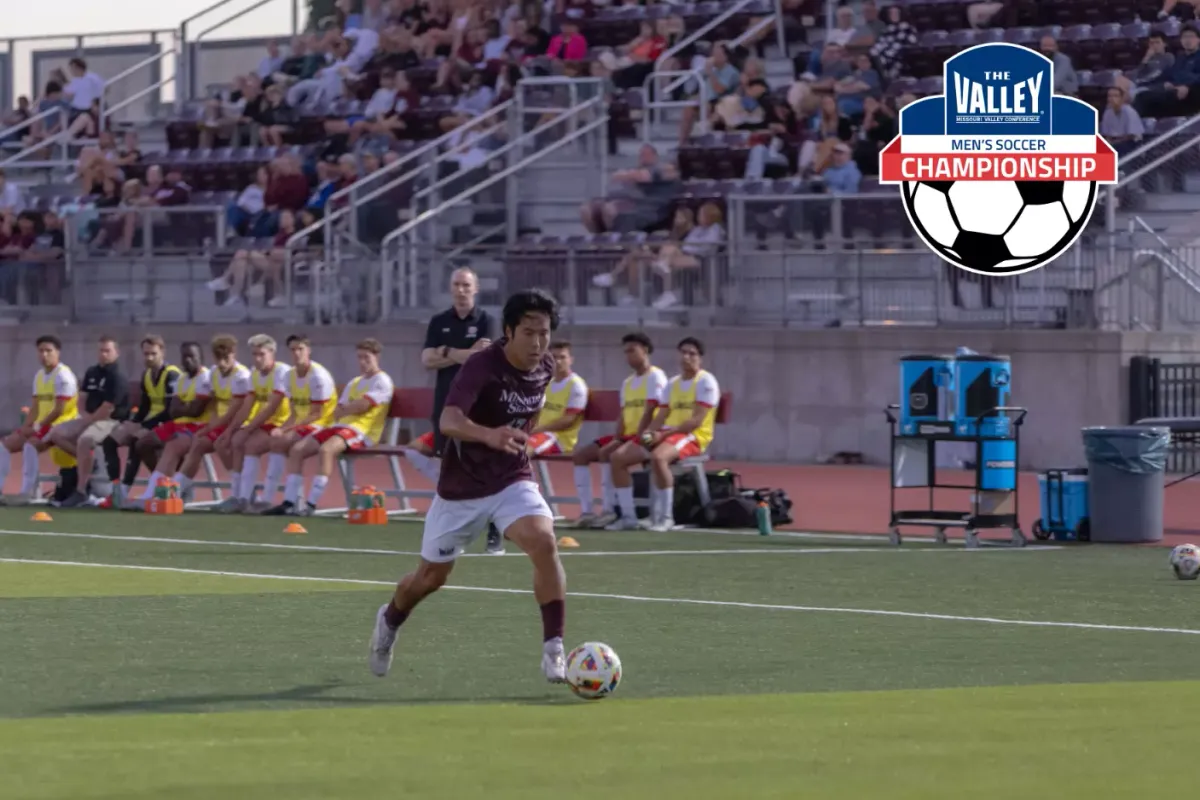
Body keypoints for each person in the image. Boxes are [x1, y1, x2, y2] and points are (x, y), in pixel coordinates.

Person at [368, 290, 568, 684]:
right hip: (462, 488)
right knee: (429, 580)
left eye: (544, 333)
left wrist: (517, 439)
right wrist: (489, 435)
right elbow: (449, 420)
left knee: (544, 540)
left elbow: (533, 409)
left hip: (512, 477)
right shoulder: (481, 365)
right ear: (509, 331)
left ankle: (553, 648)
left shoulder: (544, 367)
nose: (538, 342)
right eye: (528, 332)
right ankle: (389, 621)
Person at [420, 266, 504, 553]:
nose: (461, 290)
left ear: (476, 289)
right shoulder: (439, 321)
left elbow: (483, 358)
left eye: (466, 285)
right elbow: (426, 359)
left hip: (478, 406)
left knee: (486, 466)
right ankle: (454, 535)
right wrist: (460, 354)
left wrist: (446, 352)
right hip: (445, 403)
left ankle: (495, 530)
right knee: (449, 468)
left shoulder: (488, 321)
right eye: (456, 284)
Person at [265, 338, 394, 516]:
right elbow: (339, 411)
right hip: (341, 427)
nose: (363, 362)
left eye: (367, 358)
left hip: (363, 431)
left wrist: (349, 408)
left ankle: (311, 504)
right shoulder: (355, 382)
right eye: (360, 358)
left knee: (326, 450)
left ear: (377, 357)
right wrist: (349, 408)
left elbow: (362, 406)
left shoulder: (382, 380)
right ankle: (289, 502)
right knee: (297, 450)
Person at [606, 337, 721, 532]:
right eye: (683, 353)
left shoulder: (706, 381)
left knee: (658, 458)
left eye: (692, 353)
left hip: (693, 436)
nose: (686, 357)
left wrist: (662, 435)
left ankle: (665, 517)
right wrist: (650, 432)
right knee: (617, 458)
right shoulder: (673, 383)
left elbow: (696, 421)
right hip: (667, 435)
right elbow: (662, 415)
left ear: (700, 358)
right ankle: (628, 517)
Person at [572, 332, 667, 528]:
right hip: (628, 435)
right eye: (626, 352)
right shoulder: (628, 382)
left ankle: (628, 517)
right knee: (583, 455)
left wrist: (639, 437)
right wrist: (617, 437)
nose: (628, 356)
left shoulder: (656, 376)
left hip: (650, 435)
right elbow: (623, 415)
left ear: (646, 350)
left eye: (632, 350)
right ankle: (598, 511)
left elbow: (651, 411)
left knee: (616, 457)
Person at [98, 334, 180, 506]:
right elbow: (144, 406)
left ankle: (126, 489)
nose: (149, 358)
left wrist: (143, 425)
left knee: (138, 440)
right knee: (110, 441)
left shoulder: (172, 375)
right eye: (146, 354)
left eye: (153, 354)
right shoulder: (147, 375)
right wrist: (133, 421)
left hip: (168, 422)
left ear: (162, 353)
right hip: (150, 421)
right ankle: (116, 488)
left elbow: (170, 411)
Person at [49, 335, 131, 507]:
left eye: (107, 351)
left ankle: (81, 491)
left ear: (116, 352)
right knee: (55, 433)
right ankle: (88, 462)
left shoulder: (118, 377)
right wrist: (82, 417)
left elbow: (107, 409)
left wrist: (84, 422)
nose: (103, 354)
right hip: (90, 418)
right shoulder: (91, 372)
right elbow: (82, 399)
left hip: (112, 421)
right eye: (101, 350)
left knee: (85, 439)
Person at [216, 334, 291, 513]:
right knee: (233, 441)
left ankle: (263, 499)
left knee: (250, 444)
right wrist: (231, 430)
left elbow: (272, 407)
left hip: (283, 423)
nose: (257, 359)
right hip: (266, 424)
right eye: (254, 354)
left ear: (272, 353)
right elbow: (247, 406)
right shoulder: (255, 373)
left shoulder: (282, 372)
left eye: (261, 354)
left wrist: (248, 429)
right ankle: (241, 496)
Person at [258, 334, 335, 507]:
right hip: (303, 424)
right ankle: (271, 499)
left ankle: (288, 500)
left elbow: (317, 414)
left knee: (290, 446)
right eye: (293, 350)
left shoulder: (318, 376)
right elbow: (294, 413)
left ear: (308, 350)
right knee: (276, 442)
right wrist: (283, 428)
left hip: (322, 424)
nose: (297, 353)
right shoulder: (289, 376)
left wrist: (286, 430)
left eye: (300, 349)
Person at [172, 335, 251, 500]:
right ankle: (176, 489)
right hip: (222, 423)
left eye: (226, 358)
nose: (222, 363)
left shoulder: (241, 376)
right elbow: (214, 405)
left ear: (233, 354)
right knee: (198, 442)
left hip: (241, 422)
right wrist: (210, 427)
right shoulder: (214, 373)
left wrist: (222, 430)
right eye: (218, 358)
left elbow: (235, 409)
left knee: (222, 444)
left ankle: (242, 492)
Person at [0, 335, 79, 502]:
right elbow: (35, 407)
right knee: (5, 444)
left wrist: (37, 427)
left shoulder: (63, 376)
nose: (44, 354)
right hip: (43, 424)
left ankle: (27, 492)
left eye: (48, 350)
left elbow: (59, 410)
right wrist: (24, 428)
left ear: (58, 352)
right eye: (41, 351)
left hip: (62, 424)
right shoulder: (39, 376)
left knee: (31, 446)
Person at [136, 342, 212, 500]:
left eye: (192, 356)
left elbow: (197, 411)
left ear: (201, 358)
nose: (188, 360)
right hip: (179, 424)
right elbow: (173, 410)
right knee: (143, 443)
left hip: (199, 425)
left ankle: (156, 494)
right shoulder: (182, 379)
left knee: (173, 446)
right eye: (185, 356)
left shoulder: (206, 377)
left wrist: (184, 407)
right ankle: (165, 483)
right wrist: (187, 407)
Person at [525, 341, 588, 458]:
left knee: (523, 450)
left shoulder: (576, 385)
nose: (558, 361)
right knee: (505, 445)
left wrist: (536, 430)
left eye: (562, 357)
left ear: (571, 360)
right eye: (554, 357)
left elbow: (568, 420)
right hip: (539, 434)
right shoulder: (546, 383)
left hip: (559, 438)